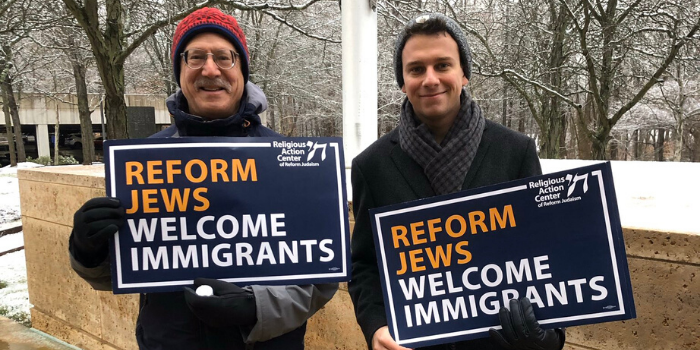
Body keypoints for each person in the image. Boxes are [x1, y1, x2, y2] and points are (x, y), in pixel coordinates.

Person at [69, 7, 337, 350]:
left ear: (241, 69)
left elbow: (321, 275)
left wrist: (257, 306)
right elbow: (123, 269)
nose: (210, 69)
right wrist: (88, 250)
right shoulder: (145, 162)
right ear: (180, 71)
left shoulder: (289, 160)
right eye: (195, 57)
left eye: (224, 57)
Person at [348, 13, 565, 350]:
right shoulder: (371, 166)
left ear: (464, 74)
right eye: (416, 69)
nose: (430, 79)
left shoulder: (515, 151)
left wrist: (546, 336)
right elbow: (365, 264)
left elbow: (544, 254)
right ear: (403, 82)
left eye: (443, 65)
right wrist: (376, 327)